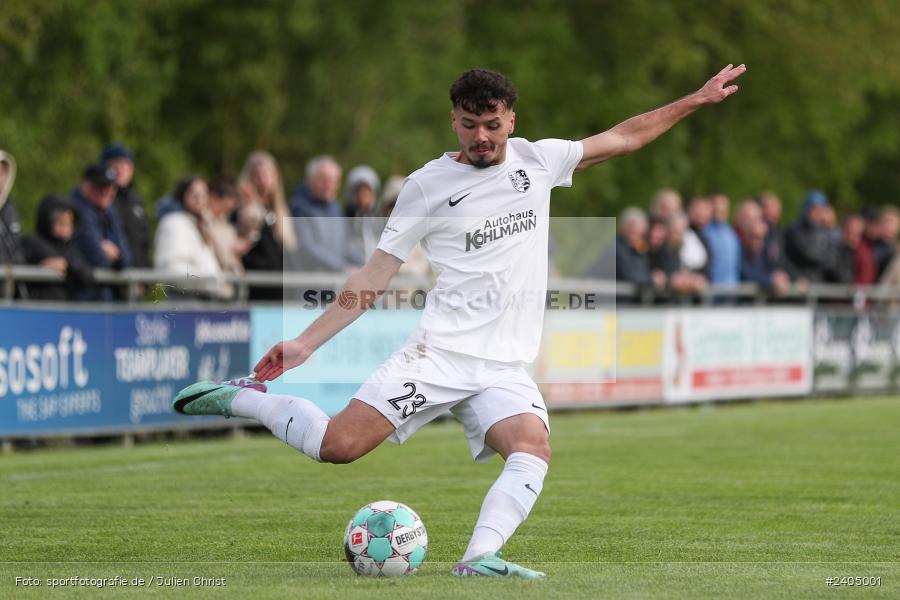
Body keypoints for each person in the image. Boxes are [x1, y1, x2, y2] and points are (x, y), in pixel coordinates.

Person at [173, 64, 746, 578]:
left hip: (501, 364)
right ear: (454, 121)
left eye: (492, 124)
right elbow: (373, 277)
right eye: (470, 124)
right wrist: (304, 343)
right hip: (439, 354)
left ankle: (478, 559)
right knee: (338, 446)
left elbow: (625, 137)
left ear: (510, 120)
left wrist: (694, 100)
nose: (481, 137)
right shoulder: (425, 186)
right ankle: (239, 399)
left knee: (532, 448)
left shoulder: (538, 161)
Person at [153, 176, 230, 299]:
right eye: (194, 194)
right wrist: (209, 282)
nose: (199, 199)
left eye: (204, 194)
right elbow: (173, 269)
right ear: (182, 196)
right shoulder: (175, 223)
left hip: (202, 298)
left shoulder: (199, 224)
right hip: (185, 300)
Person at [236, 151, 297, 299]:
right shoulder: (241, 210)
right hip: (255, 289)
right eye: (258, 175)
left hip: (281, 291)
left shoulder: (281, 212)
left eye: (268, 174)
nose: (263, 180)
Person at [70, 162, 131, 301]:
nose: (106, 191)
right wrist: (111, 257)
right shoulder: (75, 210)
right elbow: (98, 258)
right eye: (100, 186)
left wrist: (118, 257)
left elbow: (127, 258)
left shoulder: (109, 212)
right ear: (85, 186)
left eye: (111, 187)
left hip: (105, 298)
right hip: (82, 299)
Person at [21, 195, 95, 300]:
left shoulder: (70, 248)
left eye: (69, 223)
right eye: (60, 222)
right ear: (47, 220)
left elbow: (88, 275)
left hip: (63, 310)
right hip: (37, 308)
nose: (66, 228)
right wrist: (39, 269)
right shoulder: (31, 243)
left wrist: (67, 266)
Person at [289, 156, 349, 272]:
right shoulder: (298, 207)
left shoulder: (337, 208)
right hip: (308, 281)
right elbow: (306, 247)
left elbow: (344, 245)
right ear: (309, 180)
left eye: (333, 181)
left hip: (335, 281)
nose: (328, 186)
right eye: (324, 180)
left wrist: (367, 263)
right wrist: (342, 267)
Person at [102, 142, 152, 270]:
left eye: (126, 164)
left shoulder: (136, 202)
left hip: (136, 279)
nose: (121, 169)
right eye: (116, 163)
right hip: (110, 276)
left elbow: (144, 241)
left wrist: (144, 275)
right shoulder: (101, 199)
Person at [344, 165, 383, 267]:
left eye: (367, 191)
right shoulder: (346, 217)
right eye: (359, 191)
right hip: (354, 268)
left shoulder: (380, 217)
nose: (363, 196)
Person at [703, 193, 741, 286]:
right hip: (711, 289)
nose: (720, 208)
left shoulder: (732, 233)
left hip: (732, 289)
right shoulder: (704, 232)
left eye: (723, 205)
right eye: (716, 206)